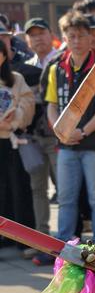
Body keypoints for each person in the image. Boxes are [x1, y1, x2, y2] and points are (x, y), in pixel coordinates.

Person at [47, 11, 95, 248]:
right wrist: (63, 132)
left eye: (81, 36)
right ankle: (63, 244)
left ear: (92, 37)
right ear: (64, 37)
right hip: (65, 145)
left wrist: (83, 131)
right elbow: (52, 106)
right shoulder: (56, 69)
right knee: (66, 198)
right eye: (71, 36)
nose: (76, 41)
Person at [21, 19, 60, 256]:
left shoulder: (62, 60)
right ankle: (41, 240)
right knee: (38, 189)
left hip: (58, 136)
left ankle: (66, 240)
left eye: (41, 33)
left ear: (51, 34)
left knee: (64, 189)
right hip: (32, 138)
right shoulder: (25, 67)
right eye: (32, 35)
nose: (37, 38)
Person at [0, 36, 36, 239]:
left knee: (18, 188)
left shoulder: (16, 79)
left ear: (4, 55)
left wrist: (13, 120)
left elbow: (28, 103)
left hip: (12, 141)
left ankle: (22, 239)